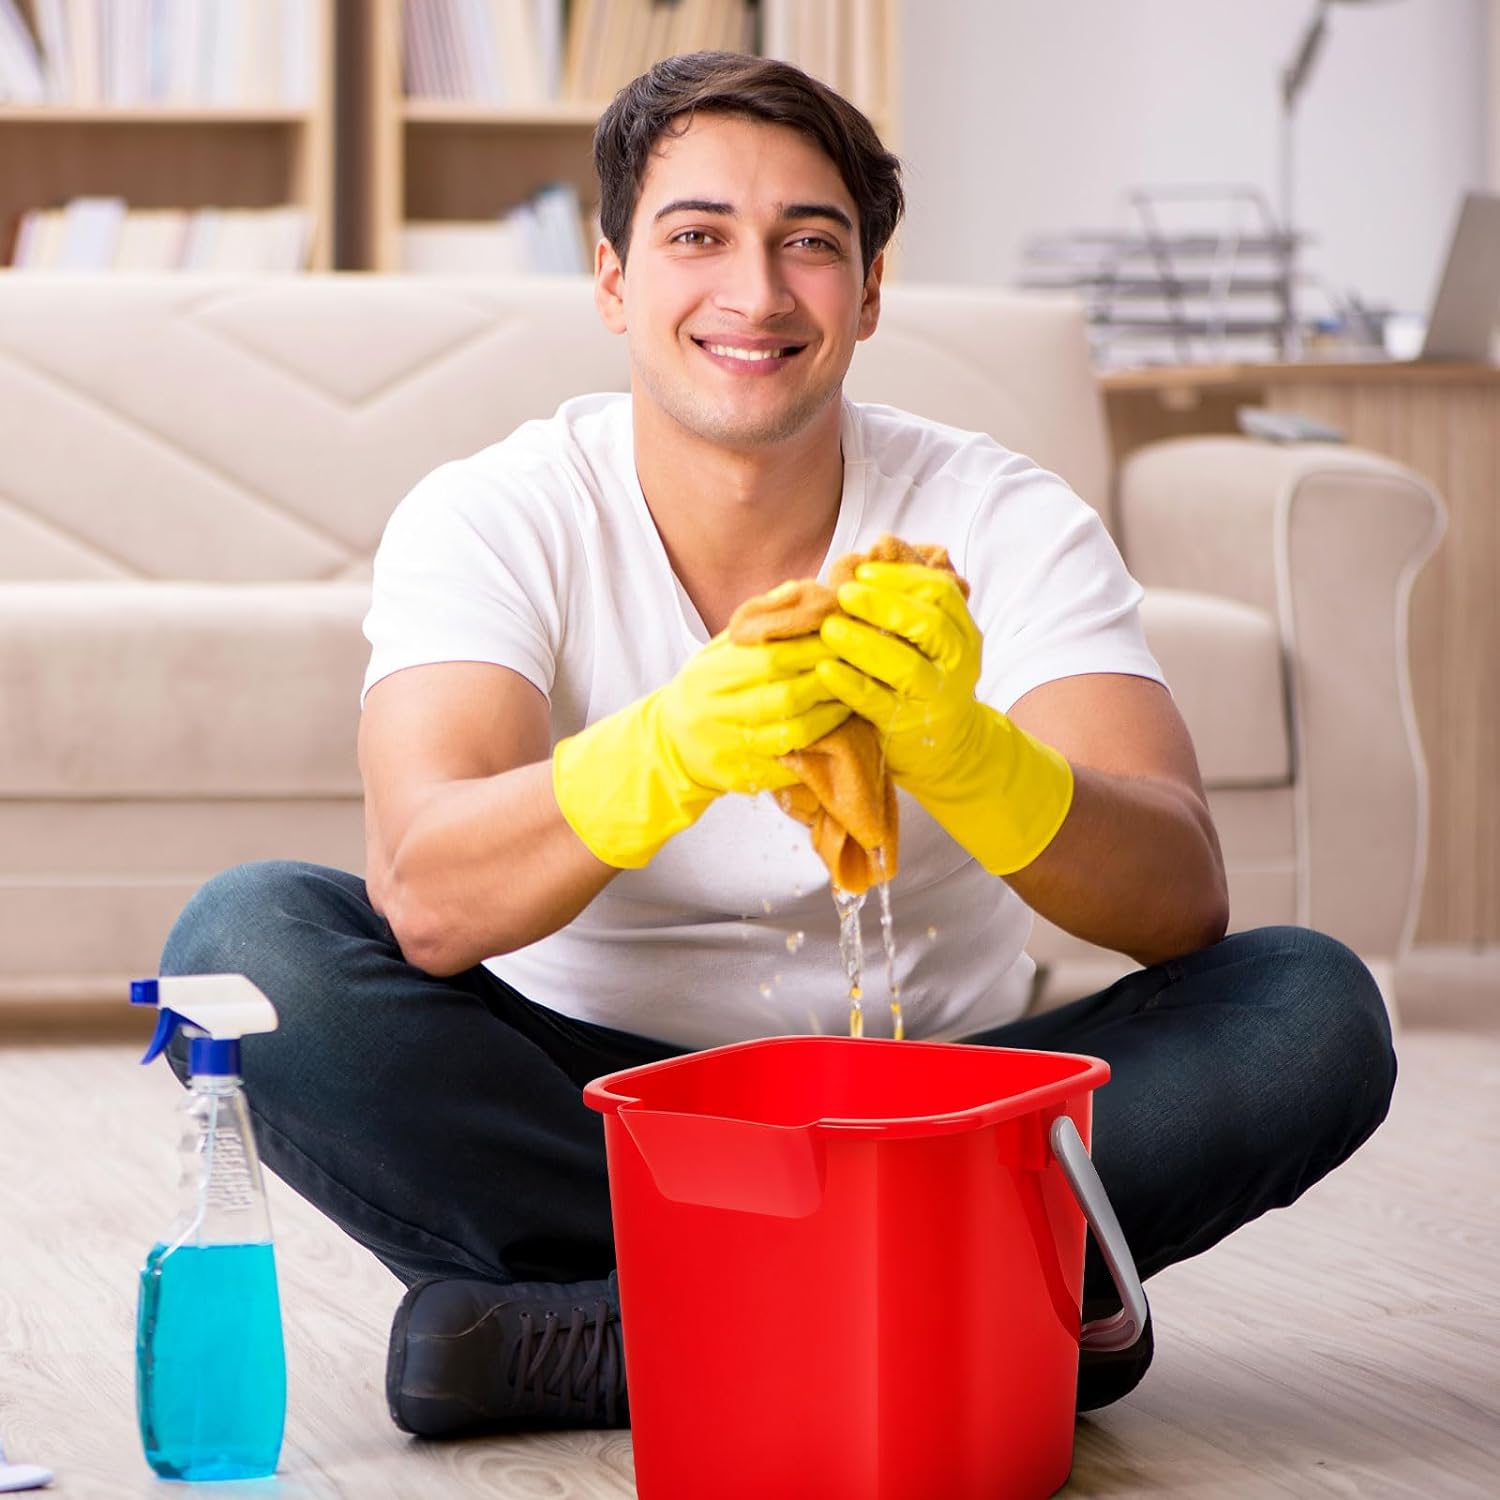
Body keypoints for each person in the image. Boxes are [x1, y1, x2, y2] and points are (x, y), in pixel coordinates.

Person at [161, 51, 1395, 1437]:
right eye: (698, 237)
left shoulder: (1003, 516)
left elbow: (1183, 902)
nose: (755, 294)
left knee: (1310, 1010)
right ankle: (966, 1309)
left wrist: (965, 749)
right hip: (586, 1109)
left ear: (869, 292)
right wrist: (673, 747)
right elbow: (431, 897)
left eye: (809, 243)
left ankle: (598, 1334)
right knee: (243, 941)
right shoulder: (494, 514)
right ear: (615, 277)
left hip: (939, 1119)